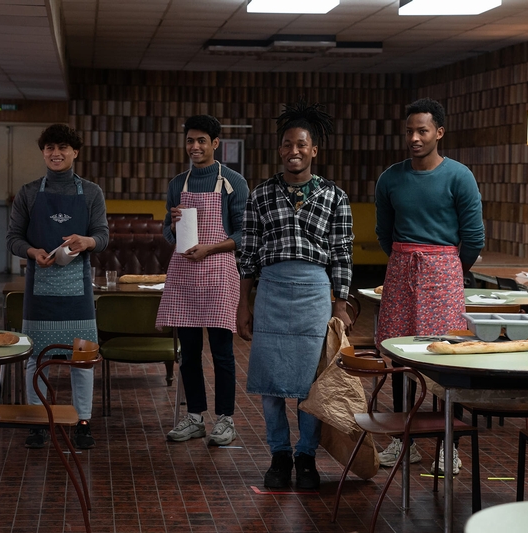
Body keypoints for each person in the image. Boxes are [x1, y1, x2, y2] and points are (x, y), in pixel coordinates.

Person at [237, 99, 353, 490]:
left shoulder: (334, 196)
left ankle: (305, 457)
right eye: (287, 144)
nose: (294, 151)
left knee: (311, 382)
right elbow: (248, 253)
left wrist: (341, 303)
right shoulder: (261, 194)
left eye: (301, 144)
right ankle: (279, 455)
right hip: (271, 290)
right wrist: (242, 304)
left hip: (315, 294)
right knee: (270, 381)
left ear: (314, 150)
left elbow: (342, 252)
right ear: (280, 149)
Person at [374, 97, 484, 475]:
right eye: (409, 131)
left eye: (422, 131)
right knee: (399, 355)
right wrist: (405, 260)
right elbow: (384, 233)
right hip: (401, 269)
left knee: (445, 359)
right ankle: (402, 441)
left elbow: (474, 237)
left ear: (439, 132)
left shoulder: (459, 176)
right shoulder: (390, 178)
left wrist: (449, 269)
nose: (414, 138)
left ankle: (448, 446)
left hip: (444, 272)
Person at [7, 124, 108, 450]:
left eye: (63, 147)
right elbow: (13, 238)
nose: (56, 153)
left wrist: (87, 241)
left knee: (83, 359)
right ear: (43, 152)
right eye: (50, 147)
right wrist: (32, 252)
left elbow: (103, 236)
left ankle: (82, 422)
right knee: (36, 358)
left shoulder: (91, 192)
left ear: (75, 152)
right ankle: (38, 421)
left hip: (78, 290)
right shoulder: (27, 192)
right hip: (40, 290)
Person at [155, 115, 248, 447]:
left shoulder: (233, 182)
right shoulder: (177, 184)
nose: (195, 147)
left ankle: (225, 419)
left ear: (215, 144)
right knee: (189, 351)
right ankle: (194, 417)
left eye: (201, 141)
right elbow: (167, 231)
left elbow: (244, 234)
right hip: (184, 272)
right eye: (190, 141)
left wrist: (210, 248)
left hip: (219, 270)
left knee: (222, 352)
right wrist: (174, 227)